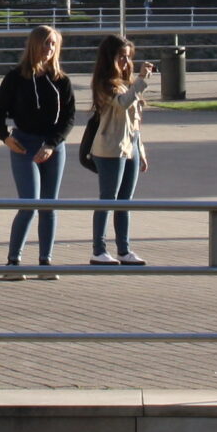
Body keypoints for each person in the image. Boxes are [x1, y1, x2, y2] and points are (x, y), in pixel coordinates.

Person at [0, 24, 76, 279]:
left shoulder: (61, 80)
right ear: (34, 45)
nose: (49, 48)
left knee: (49, 205)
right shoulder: (15, 77)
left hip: (53, 146)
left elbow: (69, 118)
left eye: (53, 44)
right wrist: (5, 137)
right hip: (23, 144)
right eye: (45, 43)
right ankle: (13, 263)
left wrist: (52, 144)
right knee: (29, 202)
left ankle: (45, 263)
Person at [86, 33, 152, 266]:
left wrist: (140, 151)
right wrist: (141, 80)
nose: (126, 62)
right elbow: (122, 104)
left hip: (130, 146)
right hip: (110, 147)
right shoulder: (105, 84)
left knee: (125, 201)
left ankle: (124, 250)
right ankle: (99, 250)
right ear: (109, 58)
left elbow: (134, 123)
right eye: (121, 57)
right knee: (108, 199)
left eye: (128, 57)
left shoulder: (127, 83)